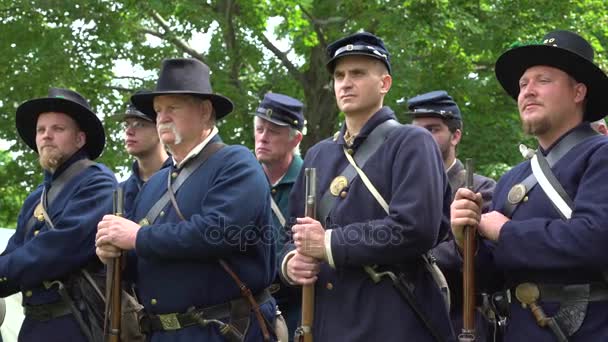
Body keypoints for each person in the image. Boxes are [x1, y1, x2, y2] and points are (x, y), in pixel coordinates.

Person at [281, 32, 454, 341]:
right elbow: (289, 231)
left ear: (384, 83)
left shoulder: (412, 142)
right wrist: (290, 262)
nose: (345, 83)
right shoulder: (319, 152)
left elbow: (416, 228)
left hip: (393, 318)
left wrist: (330, 244)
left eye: (358, 73)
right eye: (339, 75)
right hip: (327, 321)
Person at [95, 58, 277, 341]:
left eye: (172, 108)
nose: (162, 117)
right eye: (157, 111)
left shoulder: (236, 162)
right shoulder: (156, 182)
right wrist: (115, 254)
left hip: (223, 330)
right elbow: (144, 260)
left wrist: (136, 238)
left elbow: (218, 231)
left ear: (205, 111)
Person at [451, 30, 608, 341]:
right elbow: (491, 279)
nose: (527, 91)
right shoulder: (513, 178)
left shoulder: (600, 155)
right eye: (523, 84)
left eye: (543, 80)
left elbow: (596, 240)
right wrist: (466, 240)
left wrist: (502, 231)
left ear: (578, 92)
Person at [0, 88, 117, 341]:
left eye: (58, 129)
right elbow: (14, 252)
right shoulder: (37, 196)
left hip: (74, 326)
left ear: (79, 139)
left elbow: (57, 249)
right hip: (33, 325)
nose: (46, 136)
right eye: (41, 130)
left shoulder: (98, 183)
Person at [408, 90, 497, 341]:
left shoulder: (482, 189)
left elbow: (482, 259)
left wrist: (402, 254)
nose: (423, 138)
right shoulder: (398, 191)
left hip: (458, 320)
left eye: (433, 129)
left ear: (455, 135)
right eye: (416, 132)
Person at [252, 92, 304, 340]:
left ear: (295, 139)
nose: (263, 137)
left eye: (273, 131)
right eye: (260, 129)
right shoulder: (241, 183)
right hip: (249, 310)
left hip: (299, 310)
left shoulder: (313, 181)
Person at [119, 92, 171, 217]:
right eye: (126, 124)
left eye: (140, 124)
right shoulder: (120, 191)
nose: (129, 131)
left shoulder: (184, 178)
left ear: (161, 128)